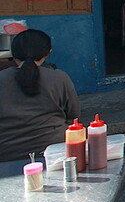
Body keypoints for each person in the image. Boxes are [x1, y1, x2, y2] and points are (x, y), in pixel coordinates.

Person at [0, 29, 81, 162]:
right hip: (56, 152)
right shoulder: (59, 78)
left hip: (7, 156)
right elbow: (74, 115)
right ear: (48, 53)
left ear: (13, 54)